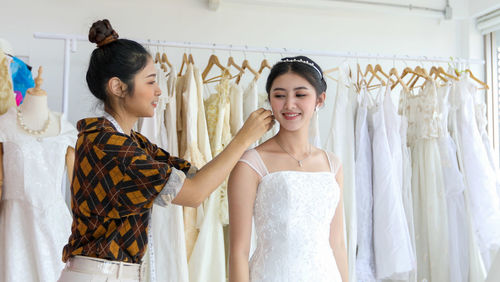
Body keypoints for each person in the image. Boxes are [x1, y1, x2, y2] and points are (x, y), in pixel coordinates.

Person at [58, 19, 273, 282]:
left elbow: (192, 175)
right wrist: (243, 138)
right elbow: (193, 194)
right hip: (100, 276)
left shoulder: (130, 141)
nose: (159, 90)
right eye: (150, 82)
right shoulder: (109, 146)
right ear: (117, 87)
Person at [228, 56, 348, 282]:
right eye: (279, 95)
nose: (289, 104)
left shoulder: (332, 164)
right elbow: (238, 252)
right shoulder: (251, 164)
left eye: (300, 95)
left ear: (319, 100)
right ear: (270, 100)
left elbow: (338, 244)